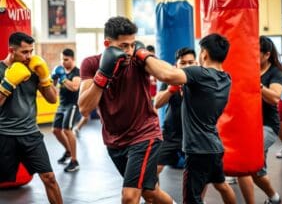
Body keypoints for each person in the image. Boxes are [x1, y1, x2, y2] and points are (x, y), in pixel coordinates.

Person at [78, 16, 175, 204]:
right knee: (150, 192)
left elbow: (169, 75)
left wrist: (146, 55)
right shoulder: (91, 64)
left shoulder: (138, 60)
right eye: (123, 46)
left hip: (144, 134)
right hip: (114, 141)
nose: (129, 51)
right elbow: (84, 108)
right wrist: (103, 75)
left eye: (132, 45)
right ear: (107, 44)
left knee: (130, 197)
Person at [133, 33, 236, 204]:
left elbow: (165, 75)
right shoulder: (226, 78)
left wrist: (143, 53)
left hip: (197, 149)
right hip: (214, 146)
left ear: (203, 54)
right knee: (222, 185)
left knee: (191, 199)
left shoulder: (197, 74)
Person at [0, 32, 63, 204]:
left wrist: (44, 77)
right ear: (11, 50)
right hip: (4, 135)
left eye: (31, 51)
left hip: (31, 134)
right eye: (24, 52)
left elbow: (52, 99)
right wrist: (7, 84)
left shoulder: (34, 68)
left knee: (49, 177)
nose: (29, 56)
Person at [237, 36, 282, 204]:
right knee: (256, 172)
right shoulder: (249, 68)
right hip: (247, 124)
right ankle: (275, 199)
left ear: (266, 54)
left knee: (245, 165)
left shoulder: (276, 72)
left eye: (256, 53)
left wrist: (258, 85)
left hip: (267, 126)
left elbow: (275, 98)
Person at [154, 47, 197, 173]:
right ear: (176, 65)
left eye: (190, 62)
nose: (187, 66)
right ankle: (155, 193)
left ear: (196, 63)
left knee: (199, 174)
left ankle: (197, 194)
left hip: (193, 136)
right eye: (183, 63)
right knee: (154, 169)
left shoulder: (201, 81)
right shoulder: (170, 80)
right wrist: (170, 89)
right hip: (171, 134)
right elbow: (157, 103)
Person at [51, 48, 81, 172]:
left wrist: (62, 78)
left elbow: (74, 87)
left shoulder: (77, 72)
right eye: (62, 59)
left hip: (72, 105)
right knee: (56, 130)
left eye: (66, 59)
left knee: (67, 130)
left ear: (73, 59)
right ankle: (68, 151)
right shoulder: (61, 70)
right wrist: (53, 78)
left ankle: (74, 161)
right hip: (62, 104)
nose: (63, 62)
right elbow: (53, 87)